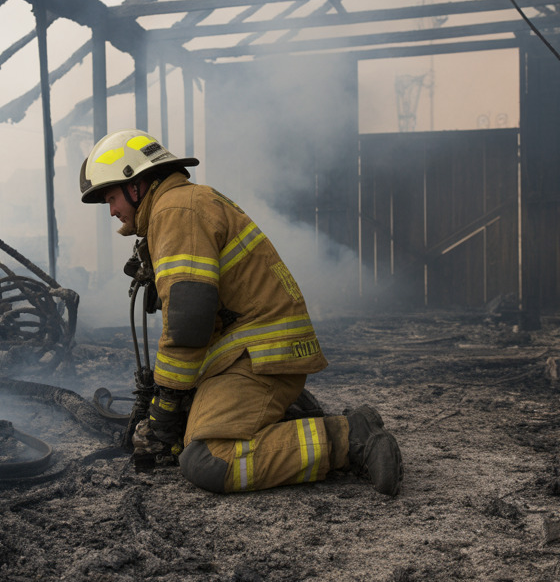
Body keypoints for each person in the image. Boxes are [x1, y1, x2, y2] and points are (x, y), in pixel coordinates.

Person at [78, 129, 402, 495]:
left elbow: (189, 324)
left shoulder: (174, 211)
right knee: (190, 427)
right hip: (250, 352)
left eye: (111, 197)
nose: (112, 210)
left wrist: (165, 405)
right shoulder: (185, 202)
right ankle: (286, 418)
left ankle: (351, 438)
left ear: (135, 185)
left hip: (259, 357)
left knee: (208, 459)